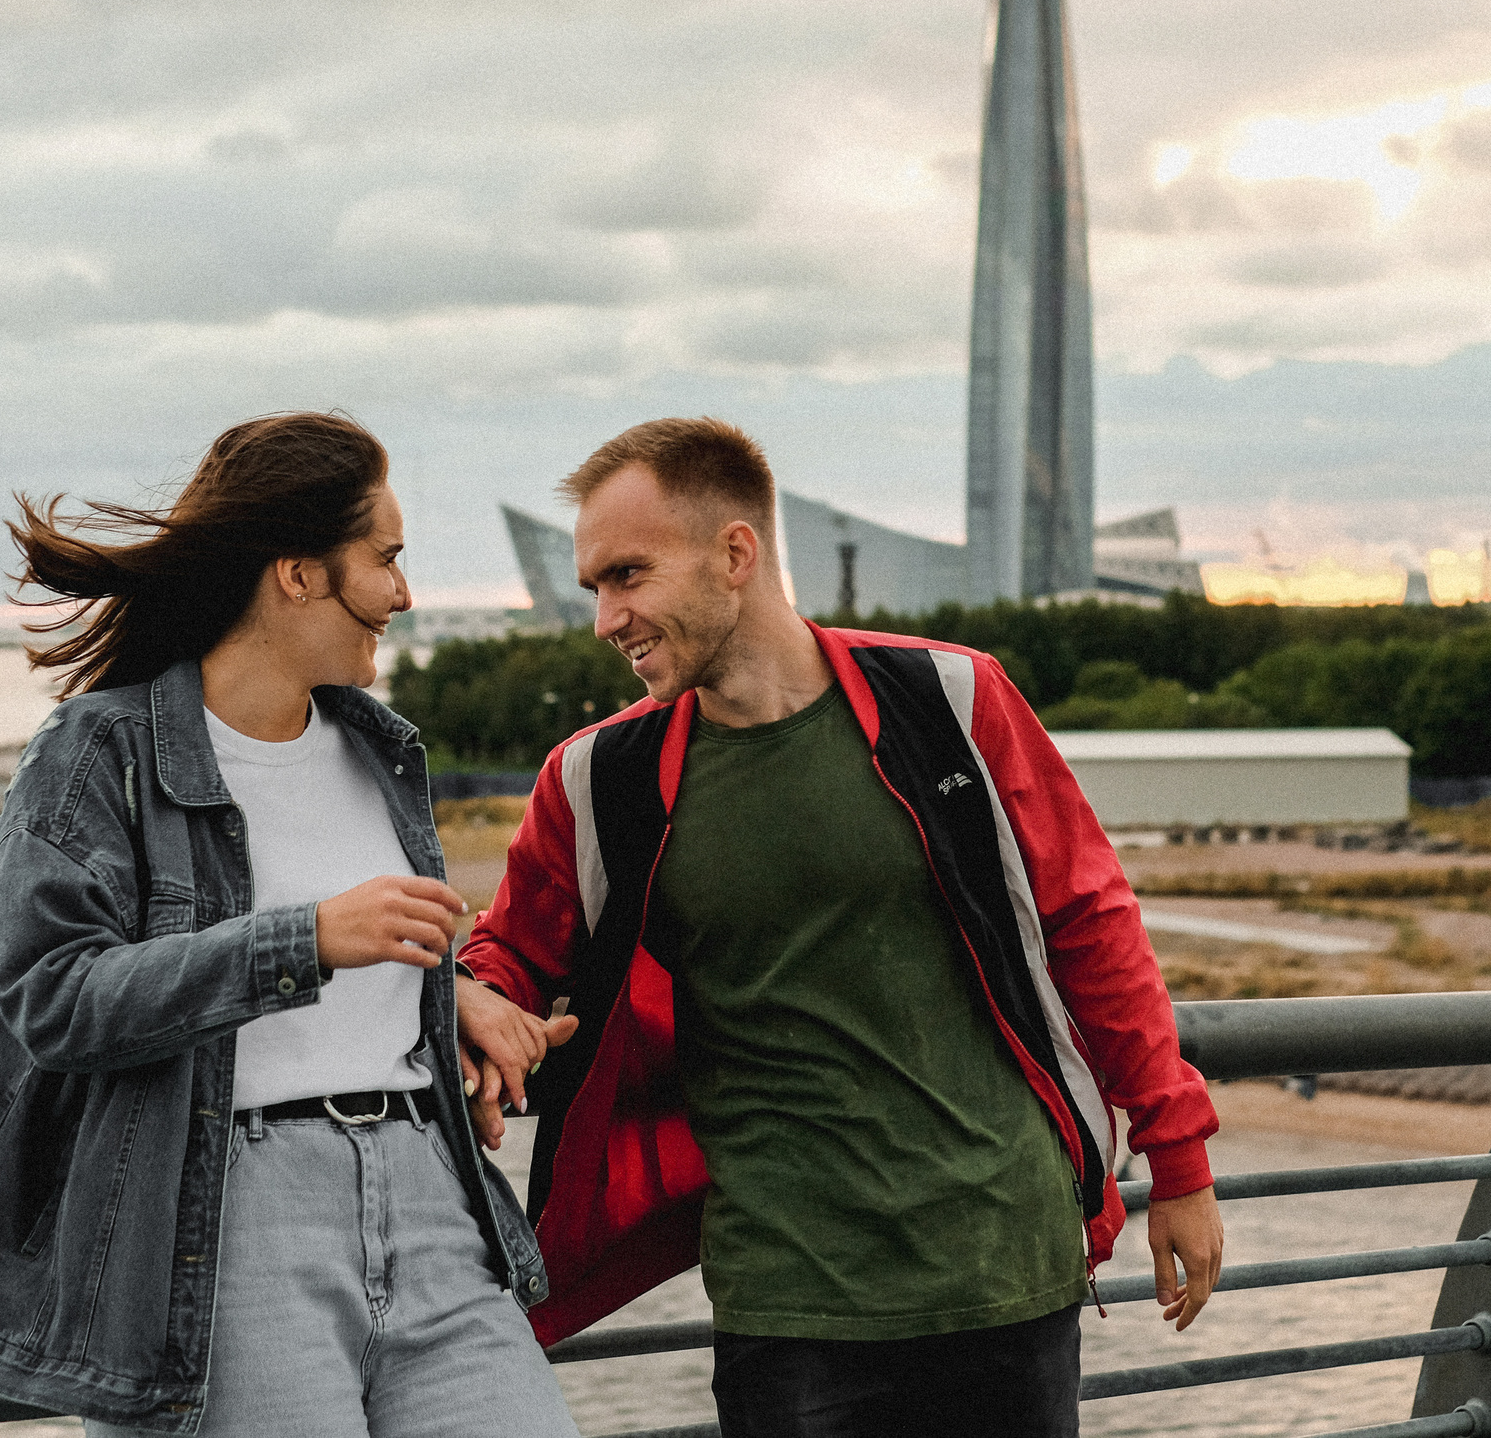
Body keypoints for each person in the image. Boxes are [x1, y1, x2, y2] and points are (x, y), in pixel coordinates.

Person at [458, 417, 1223, 1438]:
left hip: (1005, 1259)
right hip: (790, 1300)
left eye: (627, 575)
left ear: (735, 553)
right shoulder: (599, 779)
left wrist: (1179, 1160)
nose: (606, 619)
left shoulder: (950, 699)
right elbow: (513, 948)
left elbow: (1090, 921)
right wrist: (470, 998)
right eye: (595, 585)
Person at [0, 411, 581, 1438]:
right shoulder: (99, 752)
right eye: (386, 558)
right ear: (297, 574)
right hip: (229, 1225)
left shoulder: (380, 749)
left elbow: (356, 953)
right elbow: (52, 1000)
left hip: (430, 1196)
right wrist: (304, 939)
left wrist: (445, 993)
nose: (405, 595)